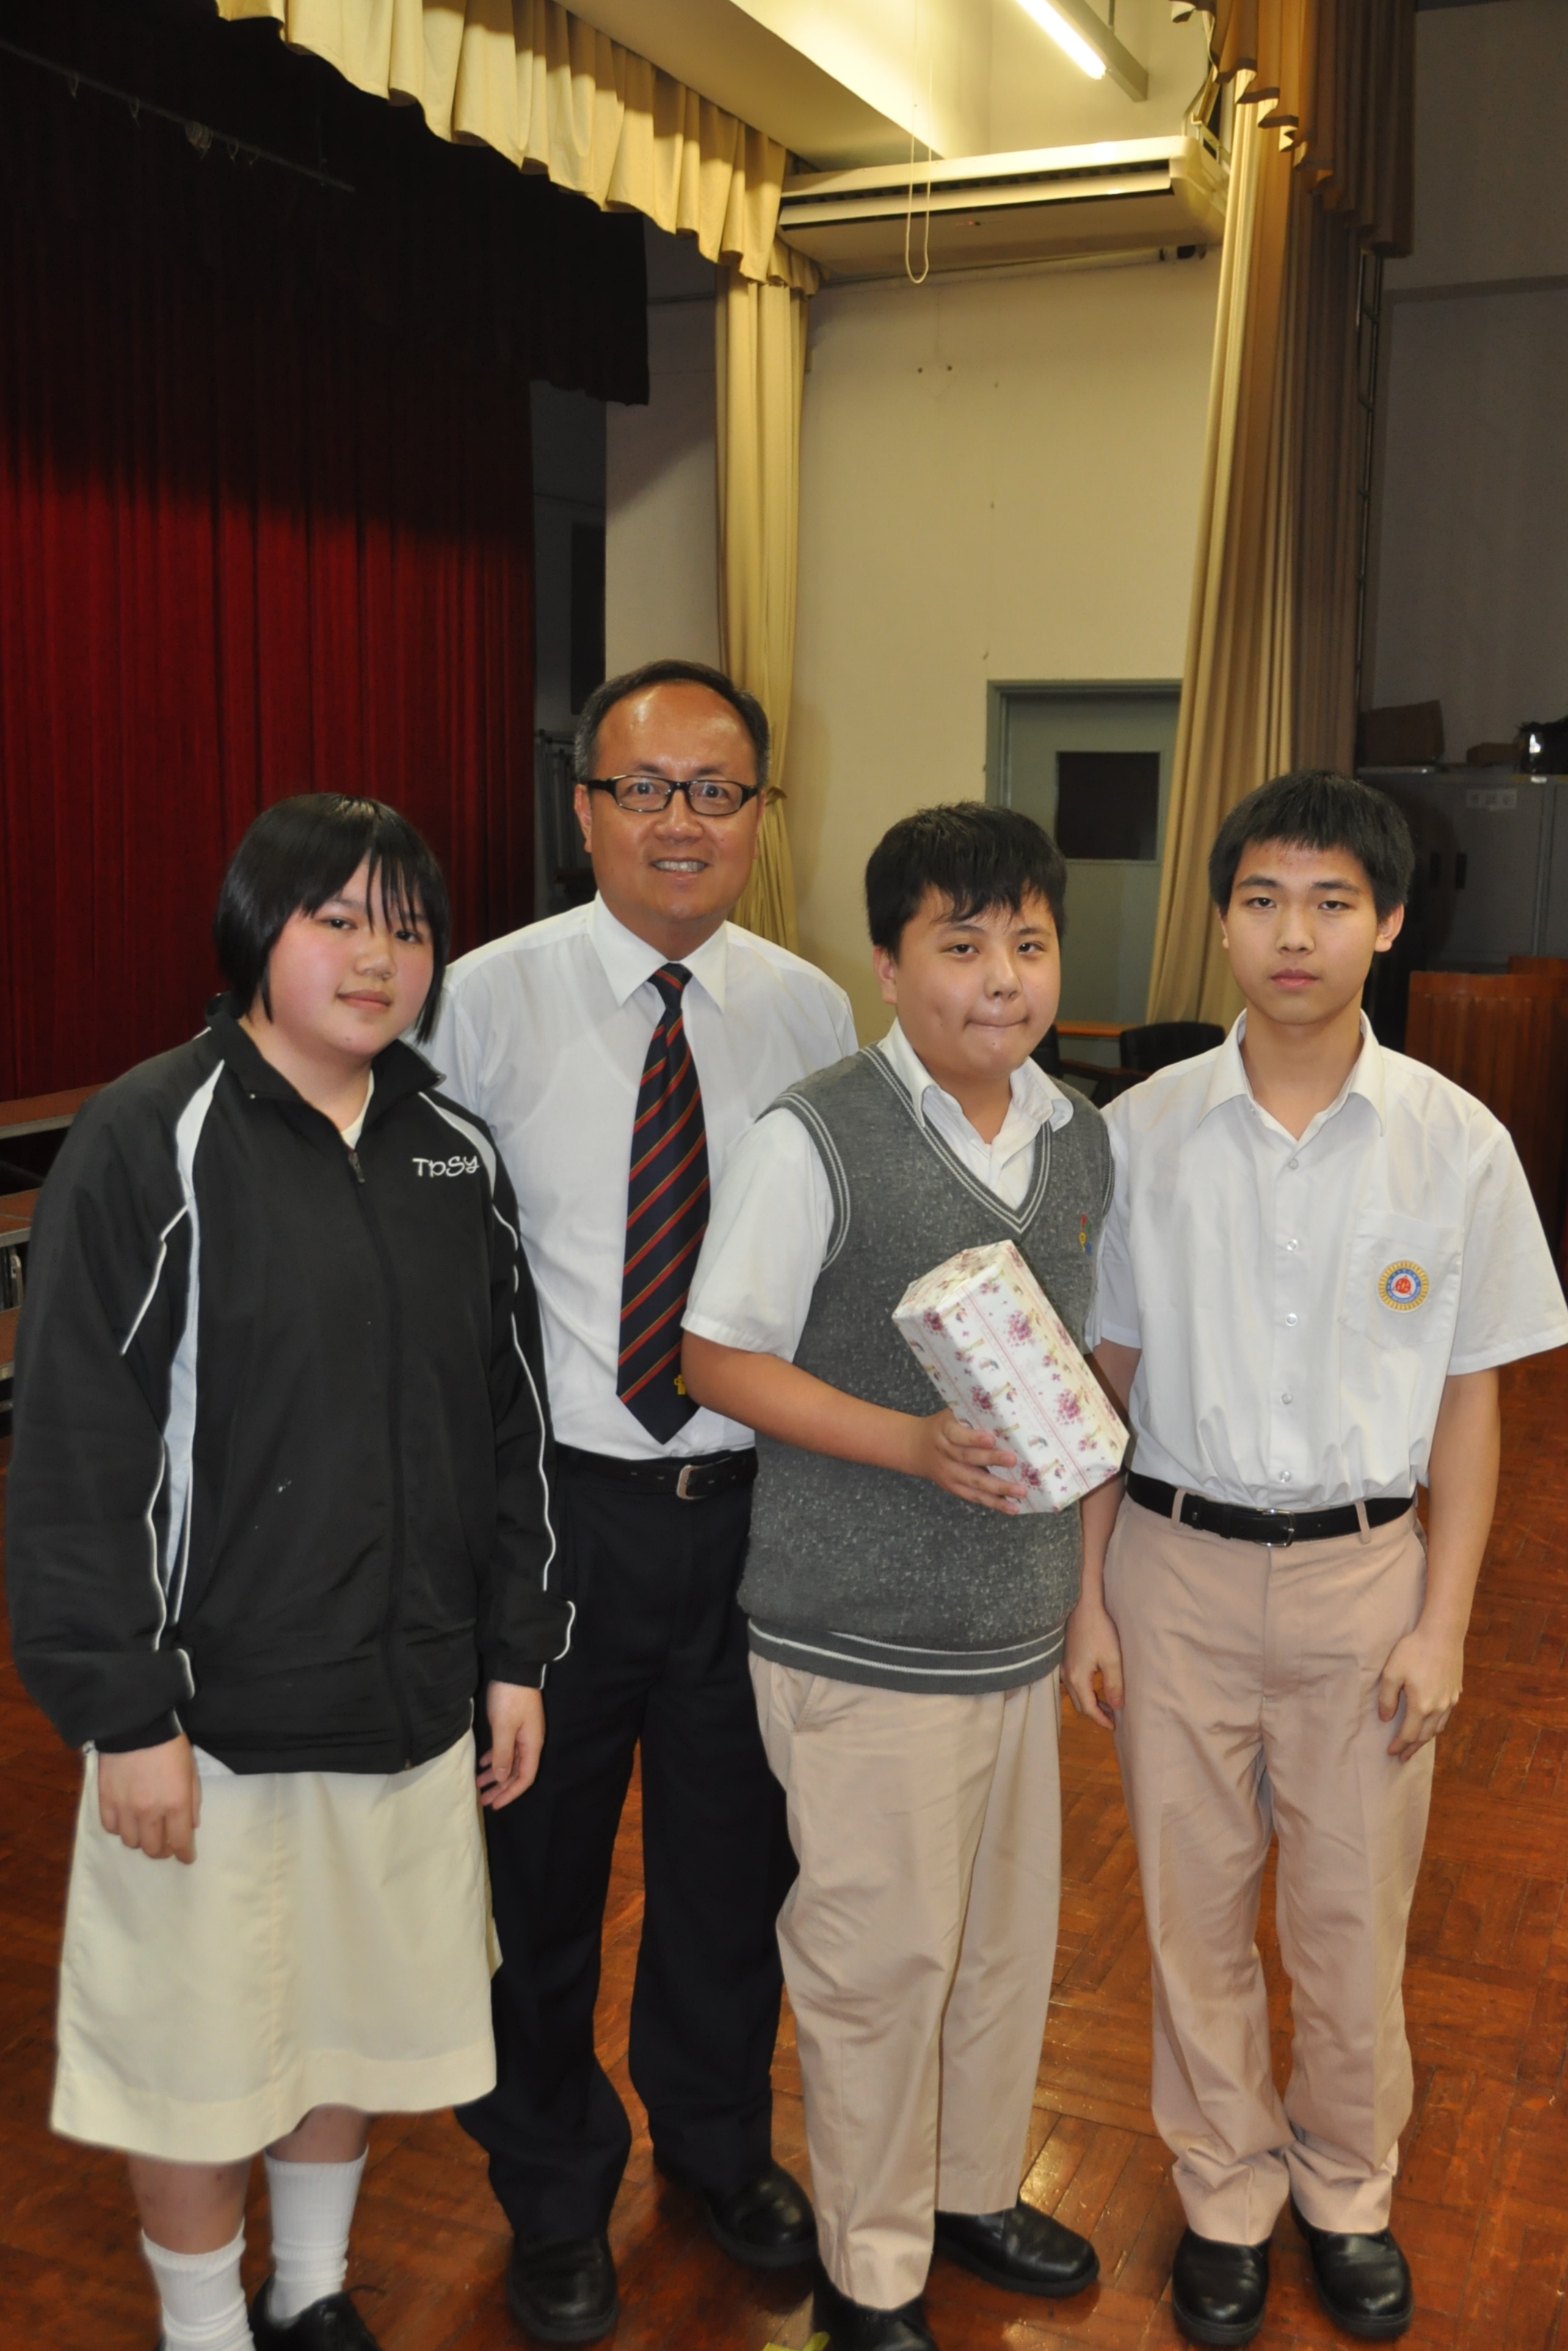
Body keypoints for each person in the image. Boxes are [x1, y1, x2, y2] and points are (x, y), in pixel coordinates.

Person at [6, 794, 570, 2351]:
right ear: (258, 931)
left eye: (409, 928)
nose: (380, 958)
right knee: (195, 2061)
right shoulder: (152, 1134)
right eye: (340, 920)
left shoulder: (453, 1150)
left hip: (410, 1693)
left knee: (353, 2025)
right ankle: (202, 2330)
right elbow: (80, 1447)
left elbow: (508, 1421)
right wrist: (126, 1712)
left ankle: (310, 2295)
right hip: (211, 1719)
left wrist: (514, 1651)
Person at [1064, 770, 1568, 2348]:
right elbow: (1105, 1390)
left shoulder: (1458, 1144)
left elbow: (1473, 1405)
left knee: (1353, 1922)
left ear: (1389, 923)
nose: (1296, 934)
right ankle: (1224, 2194)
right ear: (1221, 922)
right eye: (1265, 900)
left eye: (1333, 902)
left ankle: (1348, 2189)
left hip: (1366, 1581)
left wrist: (1445, 1622)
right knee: (1191, 1915)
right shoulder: (1140, 1135)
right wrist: (1088, 1599)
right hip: (1173, 1569)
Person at [425, 659, 857, 2344]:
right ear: (584, 808)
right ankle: (550, 2187)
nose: (684, 821)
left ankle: (718, 2146)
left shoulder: (810, 1014)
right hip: (558, 1519)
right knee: (533, 1874)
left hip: (753, 1506)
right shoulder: (481, 1001)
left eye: (718, 790)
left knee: (732, 1864)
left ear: (760, 814)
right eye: (646, 788)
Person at [680, 802, 1108, 2351]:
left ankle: (973, 2190)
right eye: (961, 943)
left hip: (1014, 1628)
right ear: (887, 962)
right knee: (878, 1966)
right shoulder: (816, 1134)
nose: (1001, 978)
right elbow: (714, 1358)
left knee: (1000, 1948)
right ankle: (871, 2274)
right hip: (856, 1638)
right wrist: (909, 1446)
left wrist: (1082, 1599)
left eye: (1028, 943)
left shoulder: (1080, 1135)